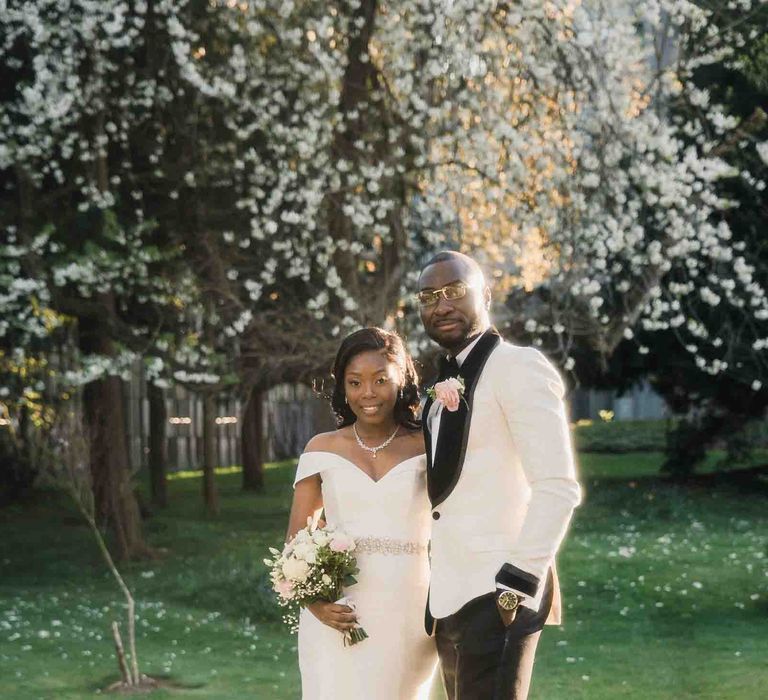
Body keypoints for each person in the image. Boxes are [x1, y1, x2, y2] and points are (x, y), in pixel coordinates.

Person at [417, 251, 582, 700]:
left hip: (500, 590)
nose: (441, 305)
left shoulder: (518, 367)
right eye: (429, 296)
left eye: (455, 291)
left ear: (485, 295)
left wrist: (517, 584)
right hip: (449, 594)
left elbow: (558, 486)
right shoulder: (436, 393)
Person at [286, 327, 438, 700]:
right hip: (338, 616)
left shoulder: (429, 446)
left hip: (410, 611)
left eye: (380, 380)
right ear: (343, 386)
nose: (367, 394)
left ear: (402, 379)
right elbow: (295, 544)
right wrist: (317, 604)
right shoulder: (321, 449)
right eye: (355, 382)